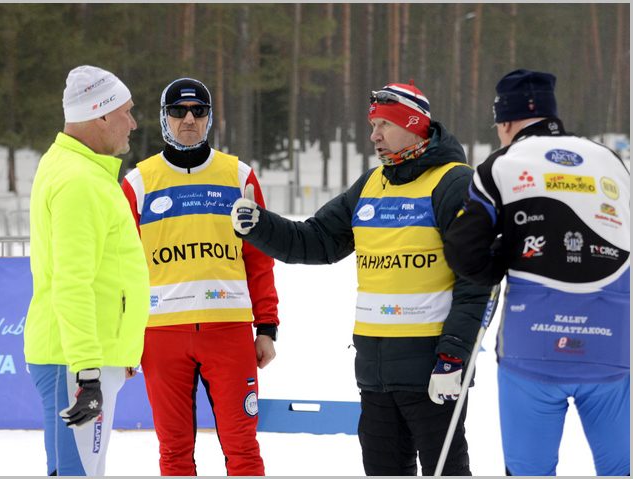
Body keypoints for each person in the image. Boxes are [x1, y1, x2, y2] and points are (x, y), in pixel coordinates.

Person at [231, 81, 491, 476]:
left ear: (414, 125)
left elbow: (476, 281)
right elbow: (317, 240)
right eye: (373, 126)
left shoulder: (454, 183)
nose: (374, 136)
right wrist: (260, 226)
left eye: (384, 125)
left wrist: (455, 357)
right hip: (375, 374)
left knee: (447, 471)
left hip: (434, 370)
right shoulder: (371, 184)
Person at [444, 69, 630, 476]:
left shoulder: (501, 165)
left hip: (532, 343)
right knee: (621, 468)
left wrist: (500, 260)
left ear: (506, 121)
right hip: (612, 343)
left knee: (529, 470)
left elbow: (462, 249)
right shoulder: (611, 162)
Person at [121, 77, 279, 476]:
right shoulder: (138, 182)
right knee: (174, 452)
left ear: (209, 117)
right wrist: (123, 338)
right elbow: (122, 268)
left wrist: (267, 327)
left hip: (228, 332)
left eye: (198, 111)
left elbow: (259, 259)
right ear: (164, 118)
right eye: (178, 111)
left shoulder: (239, 176)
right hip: (161, 335)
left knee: (243, 448)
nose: (188, 119)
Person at [24, 65, 150, 476]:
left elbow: (107, 275)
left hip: (82, 357)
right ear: (101, 114)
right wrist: (88, 373)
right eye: (126, 112)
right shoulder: (78, 180)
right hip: (76, 362)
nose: (133, 123)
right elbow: (72, 282)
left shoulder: (81, 169)